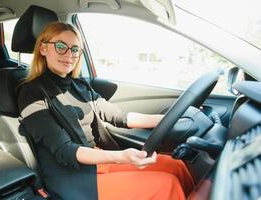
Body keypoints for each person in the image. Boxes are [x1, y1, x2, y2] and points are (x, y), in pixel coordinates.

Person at [17, 22, 194, 200]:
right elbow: (65, 150)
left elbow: (119, 116)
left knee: (176, 165)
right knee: (166, 184)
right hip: (72, 174)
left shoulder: (79, 85)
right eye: (61, 46)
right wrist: (121, 157)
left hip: (98, 159)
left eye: (75, 49)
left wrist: (168, 119)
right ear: (43, 48)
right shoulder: (32, 93)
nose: (69, 55)